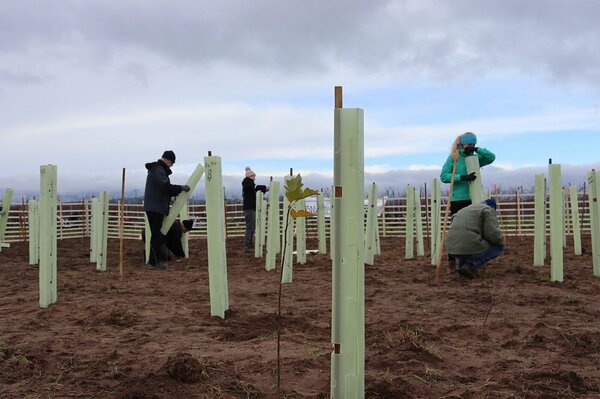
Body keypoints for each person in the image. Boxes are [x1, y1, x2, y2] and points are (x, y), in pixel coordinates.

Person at [440, 132, 495, 271]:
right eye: (468, 144)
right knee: (456, 230)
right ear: (461, 144)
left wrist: (477, 150)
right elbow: (444, 176)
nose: (470, 146)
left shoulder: (476, 158)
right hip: (458, 199)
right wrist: (462, 177)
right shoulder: (454, 158)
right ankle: (452, 260)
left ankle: (470, 262)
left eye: (473, 144)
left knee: (473, 229)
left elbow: (491, 157)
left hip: (473, 198)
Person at [144, 150, 190, 269]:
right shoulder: (159, 170)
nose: (172, 165)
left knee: (157, 235)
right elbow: (166, 187)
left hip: (154, 206)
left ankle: (154, 261)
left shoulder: (156, 169)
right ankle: (154, 262)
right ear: (168, 160)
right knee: (156, 235)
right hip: (156, 207)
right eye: (172, 163)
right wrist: (180, 188)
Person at [445, 199, 504, 279]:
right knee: (499, 247)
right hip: (467, 241)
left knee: (466, 245)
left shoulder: (466, 209)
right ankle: (471, 264)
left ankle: (461, 270)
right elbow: (492, 234)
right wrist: (500, 240)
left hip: (450, 246)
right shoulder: (488, 210)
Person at [242, 166, 268, 252]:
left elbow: (255, 189)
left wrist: (264, 189)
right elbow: (256, 187)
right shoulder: (248, 183)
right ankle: (247, 245)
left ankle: (249, 244)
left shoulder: (247, 183)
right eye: (253, 176)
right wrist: (265, 188)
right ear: (250, 176)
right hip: (249, 208)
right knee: (250, 227)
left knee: (251, 227)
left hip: (250, 208)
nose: (254, 178)